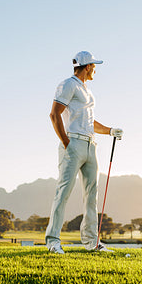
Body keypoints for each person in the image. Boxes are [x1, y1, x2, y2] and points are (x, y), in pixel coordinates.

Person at [45, 51, 123, 254]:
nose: (95, 69)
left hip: (91, 146)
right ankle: (53, 241)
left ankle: (92, 243)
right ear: (87, 66)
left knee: (91, 196)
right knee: (63, 193)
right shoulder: (68, 84)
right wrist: (65, 142)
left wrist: (109, 131)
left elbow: (89, 122)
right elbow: (55, 114)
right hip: (73, 144)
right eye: (93, 66)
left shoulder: (87, 91)